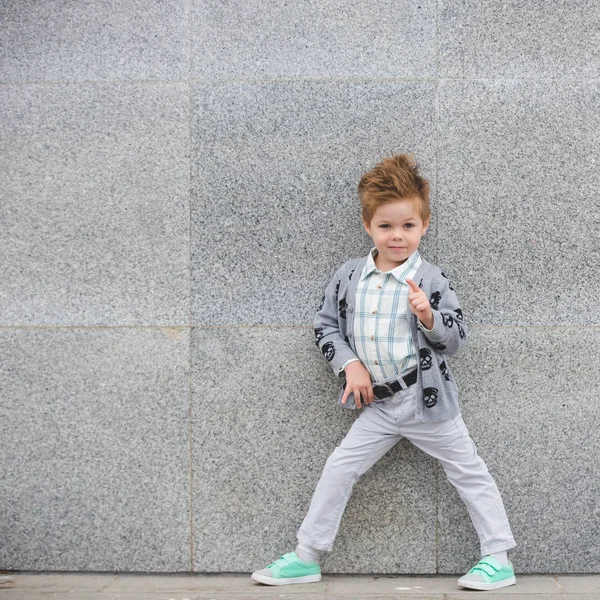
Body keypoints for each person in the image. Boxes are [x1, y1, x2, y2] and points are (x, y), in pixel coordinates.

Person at [250, 154, 517, 591]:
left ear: (425, 225)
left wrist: (429, 316)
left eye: (408, 226)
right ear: (368, 226)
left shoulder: (430, 279)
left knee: (468, 470)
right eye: (386, 226)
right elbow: (326, 326)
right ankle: (306, 557)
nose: (397, 236)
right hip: (379, 403)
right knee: (340, 468)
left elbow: (457, 338)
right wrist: (349, 364)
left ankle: (498, 557)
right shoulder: (350, 276)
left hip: (426, 400)